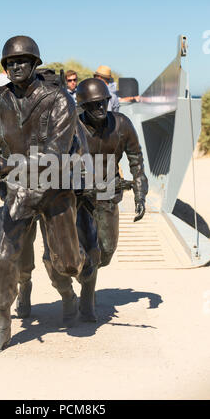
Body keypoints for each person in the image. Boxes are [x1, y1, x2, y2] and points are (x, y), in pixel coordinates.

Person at [0, 36, 94, 353]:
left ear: (35, 64)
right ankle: (2, 323)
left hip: (55, 191)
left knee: (68, 263)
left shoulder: (59, 100)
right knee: (3, 258)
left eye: (23, 61)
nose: (16, 66)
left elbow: (56, 154)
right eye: (10, 62)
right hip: (18, 191)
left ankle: (69, 291)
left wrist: (10, 163)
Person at [76, 78, 148, 273]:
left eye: (103, 101)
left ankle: (89, 277)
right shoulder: (71, 127)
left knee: (106, 250)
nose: (100, 107)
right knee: (78, 250)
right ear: (83, 106)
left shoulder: (122, 124)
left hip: (108, 192)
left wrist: (140, 194)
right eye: (93, 104)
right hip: (77, 195)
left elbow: (136, 160)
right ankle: (85, 284)